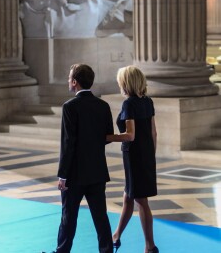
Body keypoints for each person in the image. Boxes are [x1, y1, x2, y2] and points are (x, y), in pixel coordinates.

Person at [49, 64, 114, 253]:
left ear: (75, 82)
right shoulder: (103, 106)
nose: (68, 81)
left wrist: (63, 175)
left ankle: (62, 251)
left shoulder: (70, 107)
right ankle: (107, 251)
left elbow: (68, 143)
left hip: (75, 174)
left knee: (69, 217)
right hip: (97, 171)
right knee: (101, 217)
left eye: (70, 78)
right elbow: (107, 136)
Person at [106, 66, 159, 253]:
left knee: (140, 200)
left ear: (126, 82)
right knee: (128, 196)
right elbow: (153, 132)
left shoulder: (129, 104)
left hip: (134, 156)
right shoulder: (148, 102)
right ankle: (116, 235)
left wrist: (105, 137)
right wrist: (150, 156)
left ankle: (150, 246)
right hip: (146, 154)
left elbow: (130, 135)